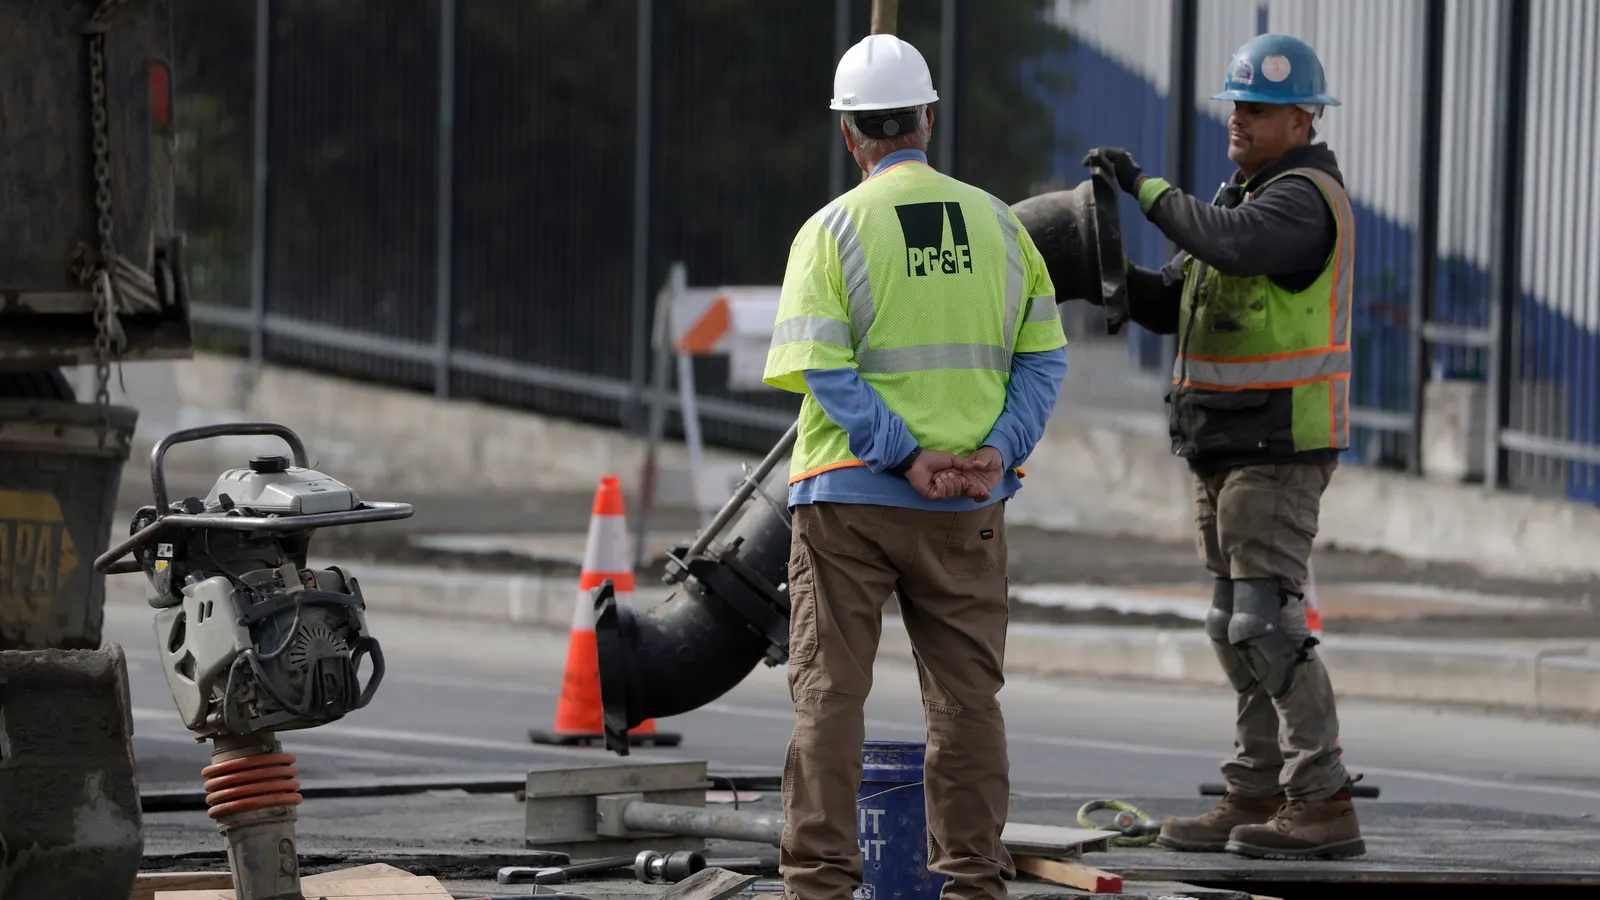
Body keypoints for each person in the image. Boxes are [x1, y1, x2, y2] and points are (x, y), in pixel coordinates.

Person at [762, 32, 1070, 900]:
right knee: (967, 706)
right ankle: (973, 884)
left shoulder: (831, 231)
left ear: (850, 134)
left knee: (830, 701)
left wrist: (903, 454)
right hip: (968, 507)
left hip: (848, 505)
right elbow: (1045, 362)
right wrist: (996, 451)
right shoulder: (1002, 227)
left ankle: (820, 886)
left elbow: (823, 369)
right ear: (928, 119)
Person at [1079, 32, 1364, 861]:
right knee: (1232, 623)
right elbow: (1172, 298)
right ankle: (1255, 791)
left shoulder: (1301, 200)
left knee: (1264, 622)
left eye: (1257, 108)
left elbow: (1230, 246)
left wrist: (1143, 185)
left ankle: (1323, 799)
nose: (1237, 118)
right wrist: (1097, 266)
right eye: (1235, 104)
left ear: (1303, 120)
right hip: (1225, 443)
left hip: (1278, 441)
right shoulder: (1242, 194)